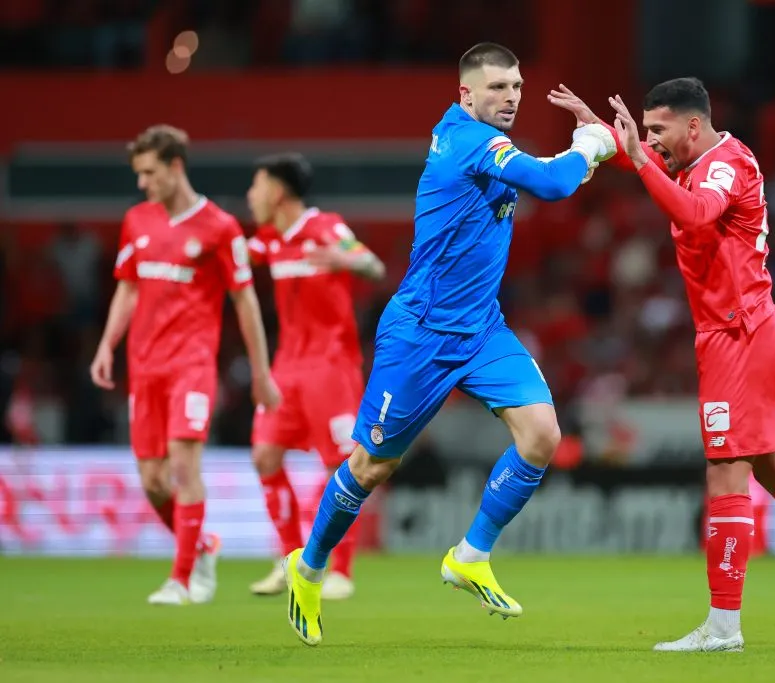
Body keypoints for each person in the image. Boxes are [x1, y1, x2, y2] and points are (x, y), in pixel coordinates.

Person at [282, 42, 617, 646]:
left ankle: (470, 554)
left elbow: (550, 176)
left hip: (482, 328)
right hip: (421, 333)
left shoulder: (484, 142)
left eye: (515, 86)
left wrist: (589, 150)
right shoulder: (466, 141)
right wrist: (591, 143)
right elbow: (550, 183)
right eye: (496, 88)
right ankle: (308, 568)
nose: (510, 97)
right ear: (466, 95)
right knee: (372, 466)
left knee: (542, 434)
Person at [548, 79, 775, 651]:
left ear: (692, 127)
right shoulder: (695, 156)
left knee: (725, 474)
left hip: (739, 333)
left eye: (658, 130)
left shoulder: (724, 167)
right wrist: (599, 131)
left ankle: (723, 626)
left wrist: (635, 156)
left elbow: (697, 212)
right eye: (646, 130)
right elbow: (647, 162)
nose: (651, 141)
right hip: (748, 327)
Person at [90, 124, 281, 605]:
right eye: (139, 174)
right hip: (144, 366)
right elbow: (128, 287)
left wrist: (260, 372)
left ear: (176, 167)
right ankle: (201, 546)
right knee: (152, 482)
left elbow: (246, 303)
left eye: (149, 173)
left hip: (191, 366)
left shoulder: (220, 228)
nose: (142, 183)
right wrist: (106, 345)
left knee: (181, 465)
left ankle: (182, 579)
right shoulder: (137, 221)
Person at [244, 153, 385, 600]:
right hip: (286, 368)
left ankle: (339, 569)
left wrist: (346, 261)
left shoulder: (326, 228)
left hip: (331, 367)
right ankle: (290, 560)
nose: (250, 196)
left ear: (278, 191)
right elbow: (230, 257)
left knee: (342, 465)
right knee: (265, 455)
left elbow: (373, 265)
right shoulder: (270, 240)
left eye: (257, 185)